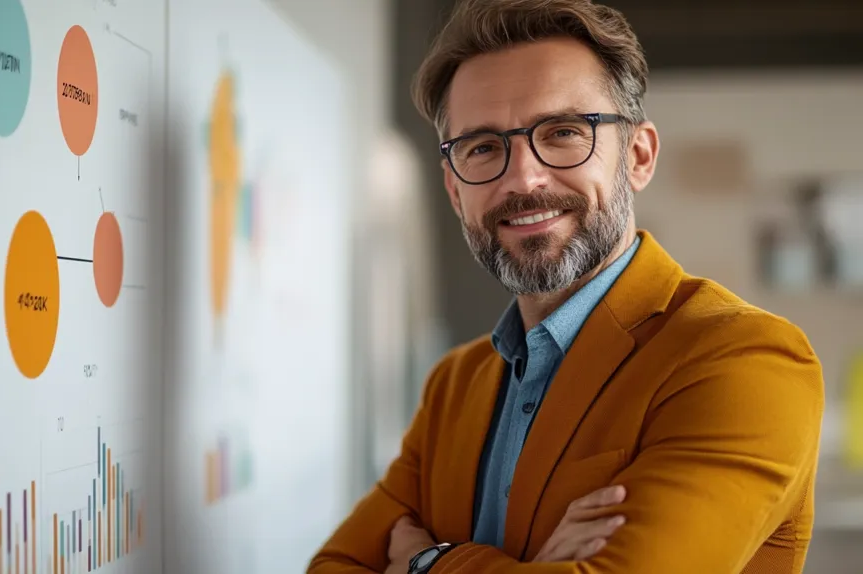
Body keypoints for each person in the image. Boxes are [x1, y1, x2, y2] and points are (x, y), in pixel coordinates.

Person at [307, 0, 825, 572]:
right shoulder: (455, 386)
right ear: (455, 191)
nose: (523, 178)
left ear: (637, 155)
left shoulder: (744, 360)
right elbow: (333, 566)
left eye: (562, 133)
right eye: (482, 148)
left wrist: (432, 560)